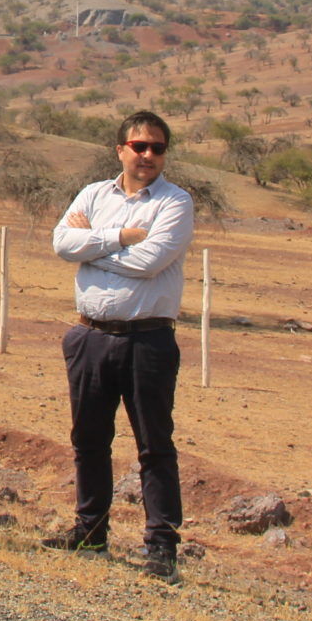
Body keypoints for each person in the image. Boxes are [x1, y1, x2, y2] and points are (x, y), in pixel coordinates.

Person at [45, 110, 196, 583]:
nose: (148, 155)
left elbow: (151, 262)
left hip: (147, 338)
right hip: (90, 336)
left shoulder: (175, 202)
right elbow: (62, 243)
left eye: (157, 147)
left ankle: (161, 545)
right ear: (120, 150)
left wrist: (93, 248)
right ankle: (90, 530)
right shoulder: (93, 194)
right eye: (139, 146)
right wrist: (120, 238)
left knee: (154, 445)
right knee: (88, 440)